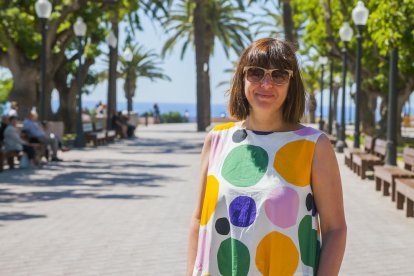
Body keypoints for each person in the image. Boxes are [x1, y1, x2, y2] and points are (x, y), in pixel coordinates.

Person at [188, 38, 346, 276]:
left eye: (279, 75)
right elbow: (198, 220)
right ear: (242, 78)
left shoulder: (314, 145)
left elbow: (335, 229)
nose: (266, 83)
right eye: (256, 72)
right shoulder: (217, 140)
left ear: (291, 83)